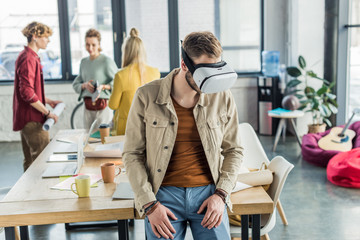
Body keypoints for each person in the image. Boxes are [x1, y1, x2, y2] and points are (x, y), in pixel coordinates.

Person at [123, 31, 243, 240]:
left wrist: (221, 195)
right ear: (185, 64)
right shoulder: (146, 96)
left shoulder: (222, 96)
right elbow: (132, 154)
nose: (211, 80)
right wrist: (150, 205)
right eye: (205, 72)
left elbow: (234, 150)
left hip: (209, 194)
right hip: (163, 197)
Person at [13, 21, 61, 171]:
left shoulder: (28, 56)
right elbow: (27, 92)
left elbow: (31, 90)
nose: (48, 40)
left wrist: (49, 101)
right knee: (40, 164)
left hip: (27, 118)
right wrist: (47, 112)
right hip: (33, 120)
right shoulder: (28, 59)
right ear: (35, 36)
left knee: (30, 162)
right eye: (45, 37)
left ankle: (27, 194)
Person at [109, 28, 160, 135]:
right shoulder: (155, 72)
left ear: (126, 52)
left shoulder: (120, 75)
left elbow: (113, 105)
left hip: (126, 129)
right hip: (149, 128)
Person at [72, 28, 118, 130]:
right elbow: (76, 84)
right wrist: (84, 85)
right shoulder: (84, 62)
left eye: (93, 44)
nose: (90, 48)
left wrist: (103, 87)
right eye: (87, 44)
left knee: (102, 138)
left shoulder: (107, 61)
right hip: (87, 106)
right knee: (88, 136)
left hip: (103, 107)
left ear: (99, 45)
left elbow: (118, 82)